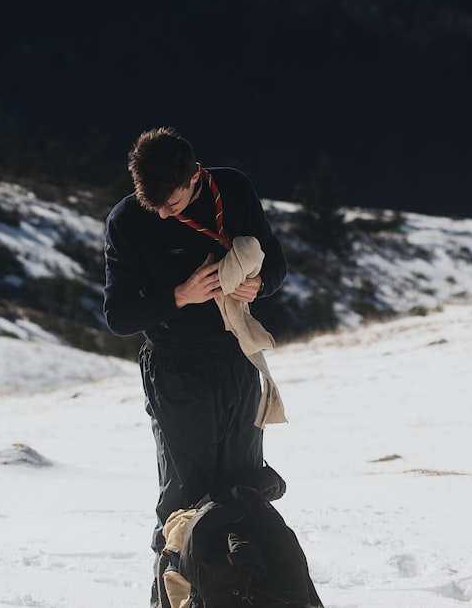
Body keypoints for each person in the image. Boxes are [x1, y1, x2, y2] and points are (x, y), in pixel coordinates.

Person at [102, 126, 288, 606]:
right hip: (175, 368)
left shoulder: (235, 188)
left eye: (172, 201)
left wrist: (258, 284)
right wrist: (178, 296)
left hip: (236, 360)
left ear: (193, 176)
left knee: (245, 490)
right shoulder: (127, 220)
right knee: (184, 501)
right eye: (154, 205)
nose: (163, 212)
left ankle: (246, 596)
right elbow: (118, 316)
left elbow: (277, 265)